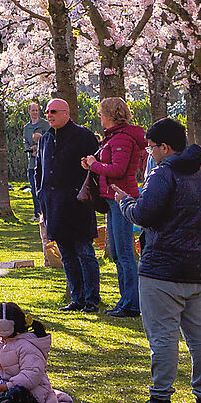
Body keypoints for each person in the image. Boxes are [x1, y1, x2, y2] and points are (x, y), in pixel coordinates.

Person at [129, 118, 201, 403]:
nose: (150, 152)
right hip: (196, 267)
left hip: (161, 269)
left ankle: (160, 399)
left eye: (152, 147)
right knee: (200, 336)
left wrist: (125, 204)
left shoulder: (163, 174)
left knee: (163, 336)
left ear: (165, 147)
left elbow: (144, 213)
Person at [37, 98, 104, 312]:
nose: (49, 115)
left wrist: (81, 193)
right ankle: (77, 297)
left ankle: (92, 298)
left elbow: (93, 170)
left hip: (77, 204)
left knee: (85, 251)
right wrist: (41, 193)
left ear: (66, 113)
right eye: (47, 111)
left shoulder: (83, 136)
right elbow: (40, 169)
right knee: (66, 253)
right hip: (54, 204)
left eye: (54, 111)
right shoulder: (46, 139)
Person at [84, 95, 147, 318]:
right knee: (119, 254)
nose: (99, 117)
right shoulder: (114, 137)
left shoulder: (121, 138)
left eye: (101, 113)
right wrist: (94, 165)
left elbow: (118, 170)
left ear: (110, 115)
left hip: (121, 197)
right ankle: (126, 299)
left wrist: (96, 165)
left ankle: (131, 302)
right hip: (112, 199)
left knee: (124, 253)